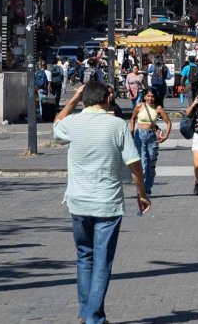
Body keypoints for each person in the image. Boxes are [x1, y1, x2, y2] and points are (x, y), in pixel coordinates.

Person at [53, 81, 151, 324]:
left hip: (78, 202)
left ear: (84, 98)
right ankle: (94, 317)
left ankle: (87, 313)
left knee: (84, 257)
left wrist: (73, 99)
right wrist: (141, 193)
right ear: (107, 99)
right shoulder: (117, 125)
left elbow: (57, 124)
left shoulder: (72, 123)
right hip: (107, 203)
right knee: (102, 261)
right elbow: (134, 164)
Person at [128, 88, 171, 196]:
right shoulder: (139, 106)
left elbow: (168, 122)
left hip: (152, 136)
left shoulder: (158, 108)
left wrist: (165, 136)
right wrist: (132, 131)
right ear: (144, 96)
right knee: (143, 163)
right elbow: (132, 118)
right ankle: (141, 189)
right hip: (140, 136)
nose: (150, 98)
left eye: (152, 96)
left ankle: (148, 188)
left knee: (151, 164)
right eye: (148, 96)